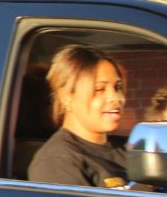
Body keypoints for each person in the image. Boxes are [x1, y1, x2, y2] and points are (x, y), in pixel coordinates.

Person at [27, 45, 128, 188]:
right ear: (67, 98)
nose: (116, 98)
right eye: (99, 89)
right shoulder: (57, 162)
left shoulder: (130, 149)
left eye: (117, 87)